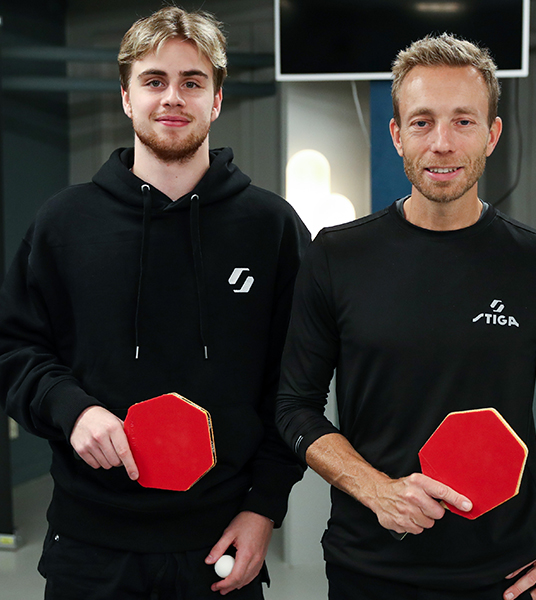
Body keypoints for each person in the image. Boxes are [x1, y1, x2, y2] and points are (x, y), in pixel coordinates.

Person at [0, 6, 310, 599]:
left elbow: (294, 384)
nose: (173, 98)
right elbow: (15, 350)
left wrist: (264, 509)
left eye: (192, 82)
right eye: (154, 80)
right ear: (125, 97)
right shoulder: (64, 222)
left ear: (216, 100)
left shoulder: (270, 228)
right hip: (89, 546)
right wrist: (72, 409)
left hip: (221, 541)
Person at [276, 34, 536, 600]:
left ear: (493, 134)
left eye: (464, 122)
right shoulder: (337, 254)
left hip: (505, 574)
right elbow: (293, 406)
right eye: (422, 122)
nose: (442, 143)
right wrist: (377, 490)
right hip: (368, 567)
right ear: (398, 135)